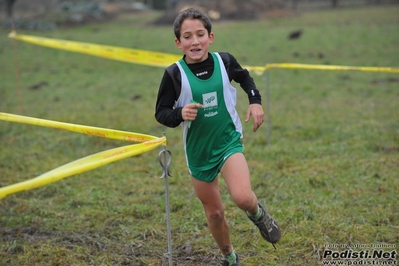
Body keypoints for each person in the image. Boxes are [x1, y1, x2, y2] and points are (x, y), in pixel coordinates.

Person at [155, 7, 281, 266]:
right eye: (187, 36)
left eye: (200, 34)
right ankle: (230, 257)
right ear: (178, 43)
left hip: (228, 142)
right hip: (199, 152)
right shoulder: (174, 74)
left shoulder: (224, 61)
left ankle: (259, 215)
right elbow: (161, 113)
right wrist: (179, 113)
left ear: (210, 37)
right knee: (214, 214)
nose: (195, 41)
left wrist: (255, 102)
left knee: (243, 198)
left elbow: (245, 79)